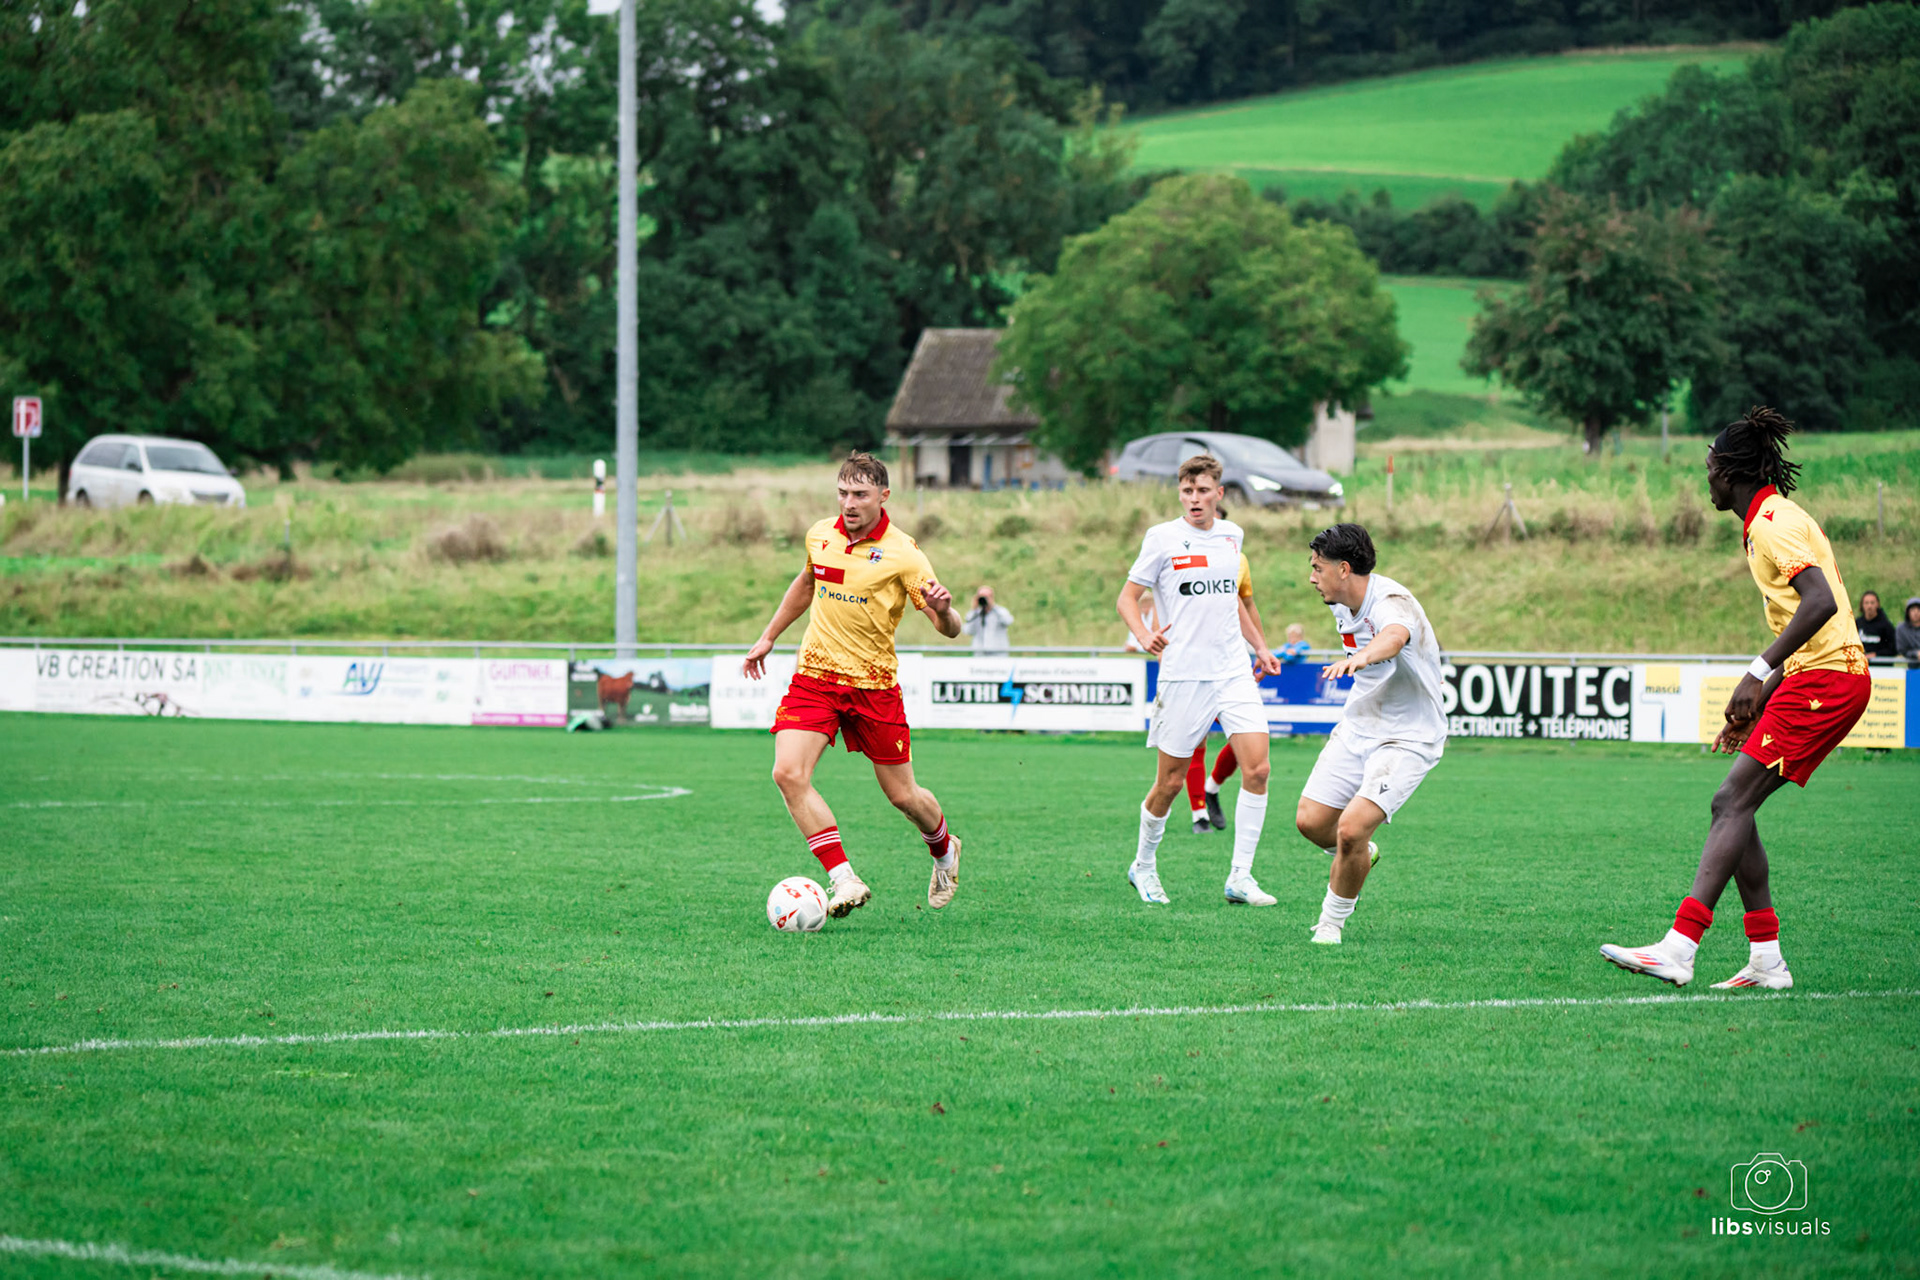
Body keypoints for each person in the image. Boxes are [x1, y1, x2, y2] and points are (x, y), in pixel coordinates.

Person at [1601, 407, 1870, 990]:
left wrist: (1757, 671)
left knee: (1730, 802)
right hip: (1812, 675)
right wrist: (1758, 698)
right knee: (1735, 807)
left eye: (1709, 467)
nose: (1706, 479)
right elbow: (1815, 617)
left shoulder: (1772, 523)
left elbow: (1819, 603)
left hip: (1829, 679)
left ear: (1730, 471)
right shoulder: (1774, 517)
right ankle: (1766, 959)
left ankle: (1680, 946)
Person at [743, 451, 966, 918]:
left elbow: (949, 627)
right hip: (815, 679)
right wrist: (768, 637)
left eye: (860, 494)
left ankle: (945, 849)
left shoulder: (905, 553)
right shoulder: (820, 535)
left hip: (873, 686)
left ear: (884, 496)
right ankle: (844, 879)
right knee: (787, 773)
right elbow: (807, 583)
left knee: (903, 796)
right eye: (843, 492)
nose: (849, 502)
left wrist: (944, 610)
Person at [1117, 455, 1284, 906]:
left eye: (1203, 490)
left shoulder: (1233, 537)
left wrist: (1261, 648)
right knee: (1169, 784)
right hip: (1184, 674)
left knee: (1259, 769)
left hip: (1232, 672)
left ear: (1219, 494)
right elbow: (1127, 598)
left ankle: (1240, 877)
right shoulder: (1162, 538)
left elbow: (1235, 603)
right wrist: (1143, 633)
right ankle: (1143, 866)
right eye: (1188, 491)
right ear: (1180, 493)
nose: (1195, 498)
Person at [1295, 523, 1446, 945]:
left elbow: (1395, 637)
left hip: (1409, 737)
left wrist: (1361, 657)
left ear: (1344, 570)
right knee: (1309, 822)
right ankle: (1361, 856)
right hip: (1359, 725)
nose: (1311, 577)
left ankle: (1330, 924)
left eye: (1317, 568)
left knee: (1350, 830)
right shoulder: (1339, 599)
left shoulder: (1393, 601)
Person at [1183, 552, 1262, 835]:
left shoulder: (1239, 558)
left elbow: (1247, 604)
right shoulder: (1180, 553)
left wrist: (1261, 649)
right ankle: (1199, 813)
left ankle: (1212, 787)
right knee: (1196, 739)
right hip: (1191, 663)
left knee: (1250, 740)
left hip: (1232, 663)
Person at [962, 585, 1014, 655]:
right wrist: (973, 610)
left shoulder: (1000, 611)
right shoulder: (975, 614)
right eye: (981, 596)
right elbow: (967, 631)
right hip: (980, 655)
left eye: (986, 596)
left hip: (998, 655)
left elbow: (1008, 621)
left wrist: (993, 606)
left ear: (992, 597)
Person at [1855, 591, 1897, 659]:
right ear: (1862, 605)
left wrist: (1876, 654)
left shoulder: (1886, 625)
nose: (1869, 606)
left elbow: (1893, 649)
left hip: (1880, 666)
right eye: (1866, 603)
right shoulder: (1857, 623)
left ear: (1878, 604)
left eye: (1872, 603)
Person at [1898, 597, 1920, 665]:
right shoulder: (1901, 629)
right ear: (1908, 612)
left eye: (1918, 610)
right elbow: (1902, 650)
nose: (1916, 613)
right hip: (1911, 668)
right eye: (1913, 610)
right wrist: (1916, 654)